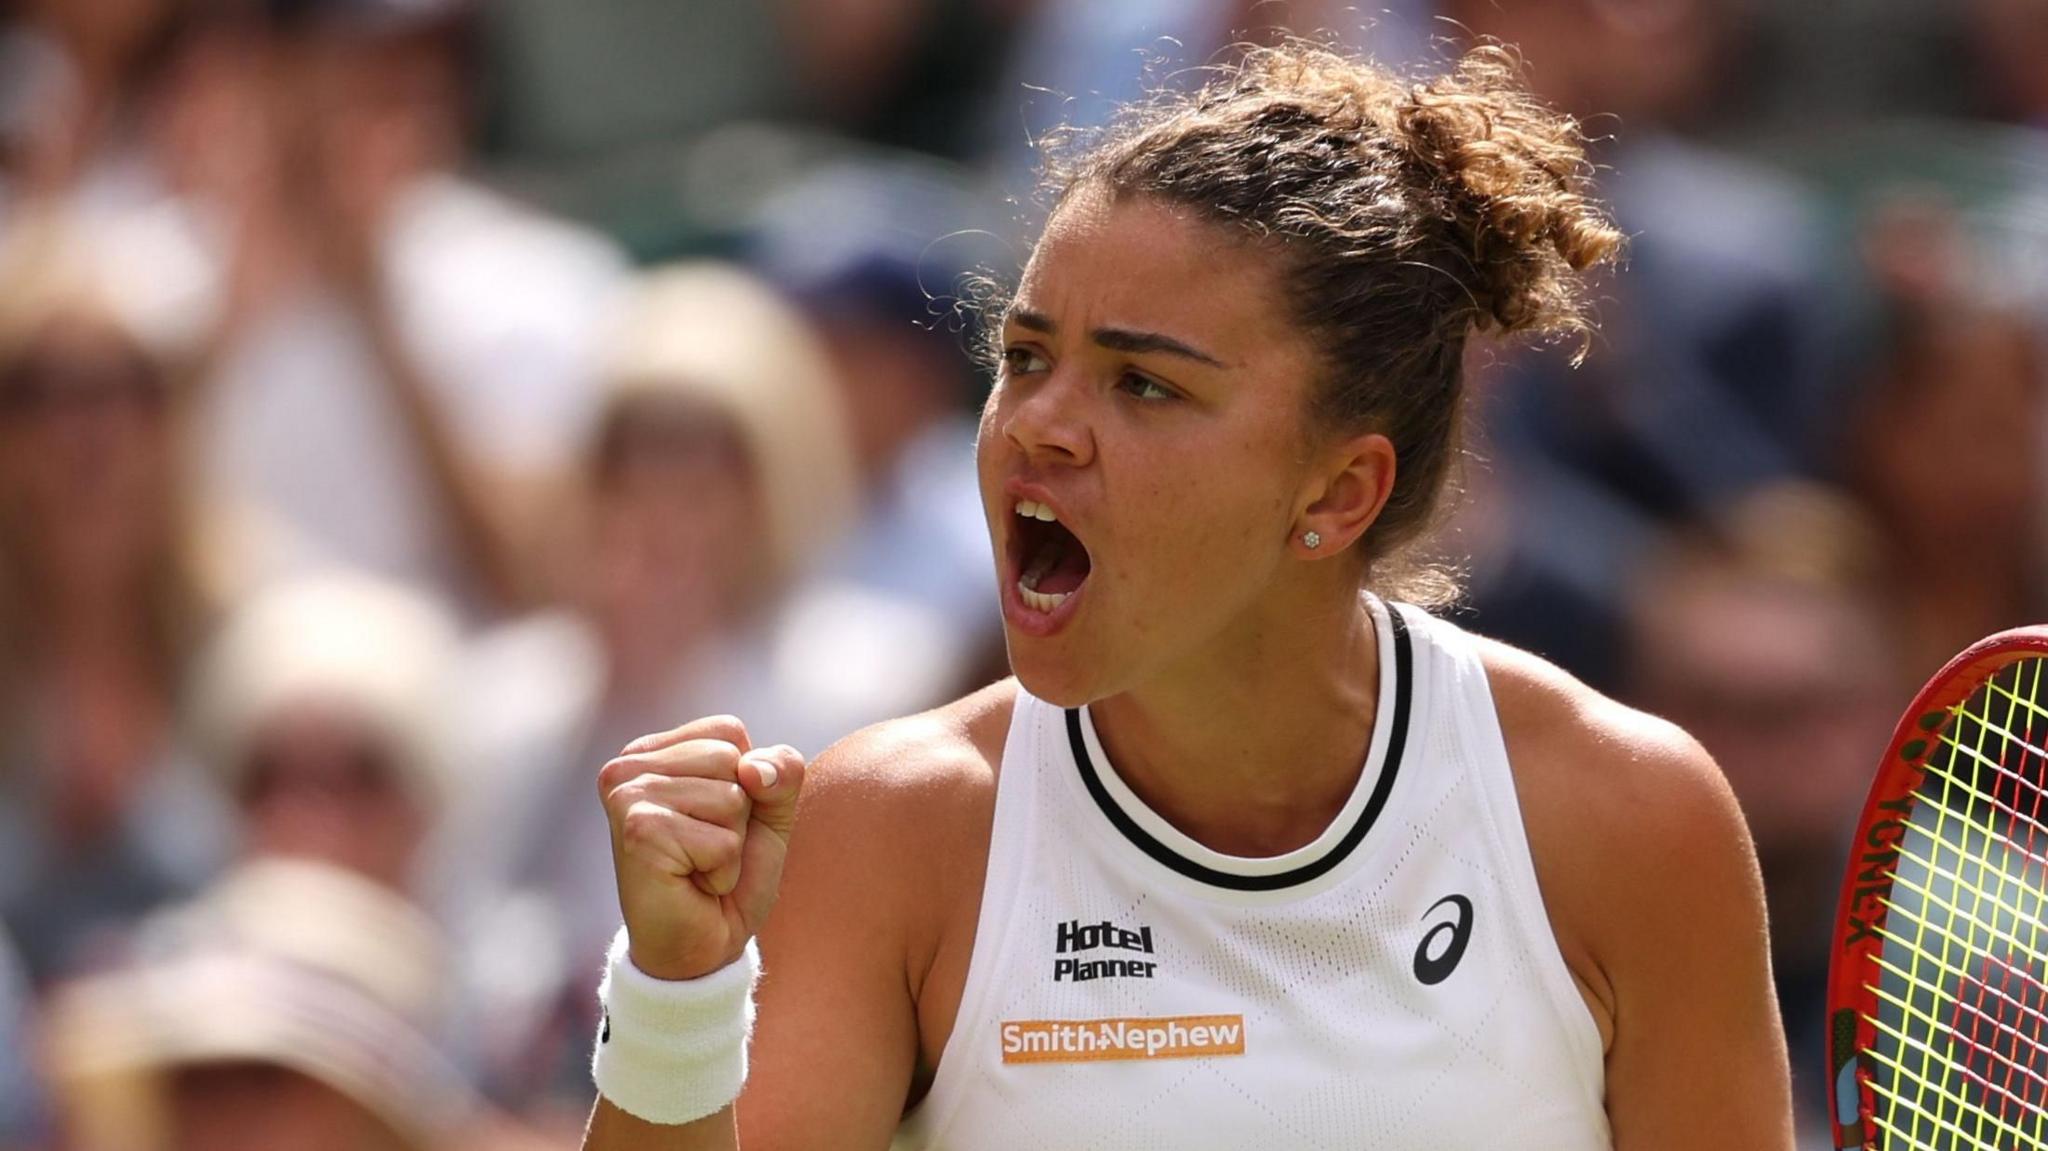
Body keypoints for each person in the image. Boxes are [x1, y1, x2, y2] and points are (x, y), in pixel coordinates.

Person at [580, 42, 1793, 1150]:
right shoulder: (891, 827)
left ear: (1337, 490)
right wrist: (675, 1001)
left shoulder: (1630, 819)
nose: (1039, 428)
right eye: (1024, 359)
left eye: (1143, 386)